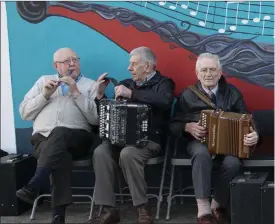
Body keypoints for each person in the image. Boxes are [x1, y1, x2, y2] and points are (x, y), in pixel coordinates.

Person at [16, 48, 107, 224]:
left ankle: (34, 184)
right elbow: (25, 113)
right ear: (56, 65)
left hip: (79, 138)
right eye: (67, 61)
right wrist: (44, 95)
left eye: (75, 60)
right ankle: (58, 217)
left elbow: (96, 119)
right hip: (43, 139)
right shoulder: (43, 81)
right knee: (59, 155)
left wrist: (75, 92)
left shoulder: (90, 85)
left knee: (60, 132)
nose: (72, 64)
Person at [170, 53, 259, 224]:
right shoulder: (187, 94)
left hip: (228, 143)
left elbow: (248, 119)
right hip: (198, 142)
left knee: (233, 162)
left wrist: (254, 134)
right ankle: (203, 210)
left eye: (212, 70)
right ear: (197, 73)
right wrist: (187, 127)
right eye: (204, 70)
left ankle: (217, 205)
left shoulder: (232, 92)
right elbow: (174, 123)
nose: (208, 74)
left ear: (220, 72)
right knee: (202, 154)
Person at [91, 46, 175, 224]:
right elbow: (107, 113)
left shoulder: (164, 83)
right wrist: (99, 96)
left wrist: (132, 94)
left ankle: (143, 208)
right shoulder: (125, 83)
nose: (129, 68)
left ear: (148, 66)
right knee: (100, 151)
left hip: (149, 140)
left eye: (134, 64)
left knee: (128, 154)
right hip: (120, 140)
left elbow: (165, 101)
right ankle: (108, 210)